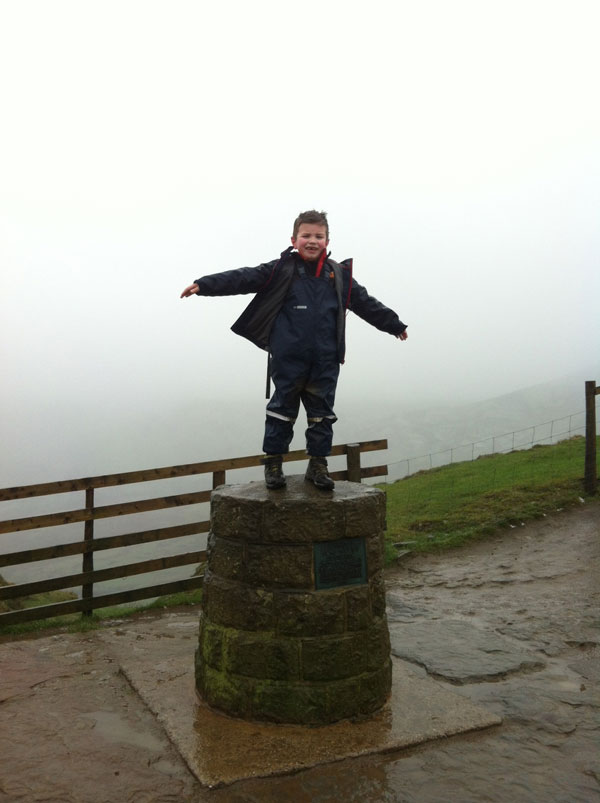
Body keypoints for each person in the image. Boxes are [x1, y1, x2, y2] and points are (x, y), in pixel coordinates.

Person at [180, 210, 407, 491]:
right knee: (281, 412)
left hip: (326, 360)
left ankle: (318, 465)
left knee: (322, 414)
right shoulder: (281, 269)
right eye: (306, 236)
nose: (312, 241)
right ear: (294, 239)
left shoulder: (338, 275)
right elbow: (243, 278)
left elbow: (365, 303)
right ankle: (274, 464)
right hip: (287, 359)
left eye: (318, 236)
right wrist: (204, 285)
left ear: (327, 240)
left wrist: (393, 324)